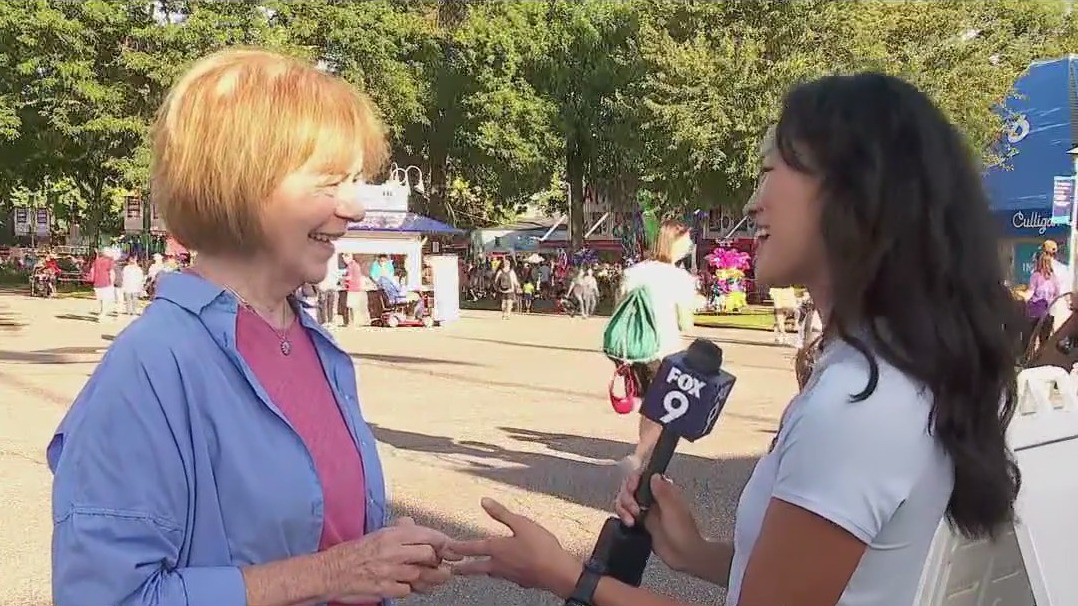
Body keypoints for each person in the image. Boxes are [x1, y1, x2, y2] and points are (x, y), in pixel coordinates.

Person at [449, 73, 1021, 606]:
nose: (752, 202)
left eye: (772, 171)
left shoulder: (859, 403)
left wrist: (564, 574)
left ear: (854, 191)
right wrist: (693, 553)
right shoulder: (877, 373)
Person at [47, 48, 454, 606]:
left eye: (356, 181)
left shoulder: (319, 348)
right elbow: (110, 597)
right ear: (241, 181)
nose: (356, 208)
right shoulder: (152, 365)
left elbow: (324, 536)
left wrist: (380, 553)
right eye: (331, 182)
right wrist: (331, 573)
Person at [614, 220, 697, 474]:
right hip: (665, 349)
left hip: (635, 350)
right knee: (664, 411)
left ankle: (644, 460)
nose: (690, 246)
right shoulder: (679, 278)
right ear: (675, 242)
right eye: (687, 241)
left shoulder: (634, 272)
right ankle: (641, 460)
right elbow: (686, 322)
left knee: (649, 409)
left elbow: (620, 306)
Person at [1025, 250, 1059, 353]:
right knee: (1044, 341)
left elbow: (1030, 293)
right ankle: (1040, 361)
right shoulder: (1054, 278)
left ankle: (1028, 361)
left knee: (1030, 340)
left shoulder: (1035, 276)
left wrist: (1021, 297)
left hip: (1034, 313)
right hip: (1048, 313)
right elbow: (1057, 295)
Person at [89, 249, 116, 321]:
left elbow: (92, 270)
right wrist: (112, 282)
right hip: (106, 282)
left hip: (97, 283)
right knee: (106, 299)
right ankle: (102, 313)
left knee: (101, 299)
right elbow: (111, 272)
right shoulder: (109, 261)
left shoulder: (96, 261)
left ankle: (102, 312)